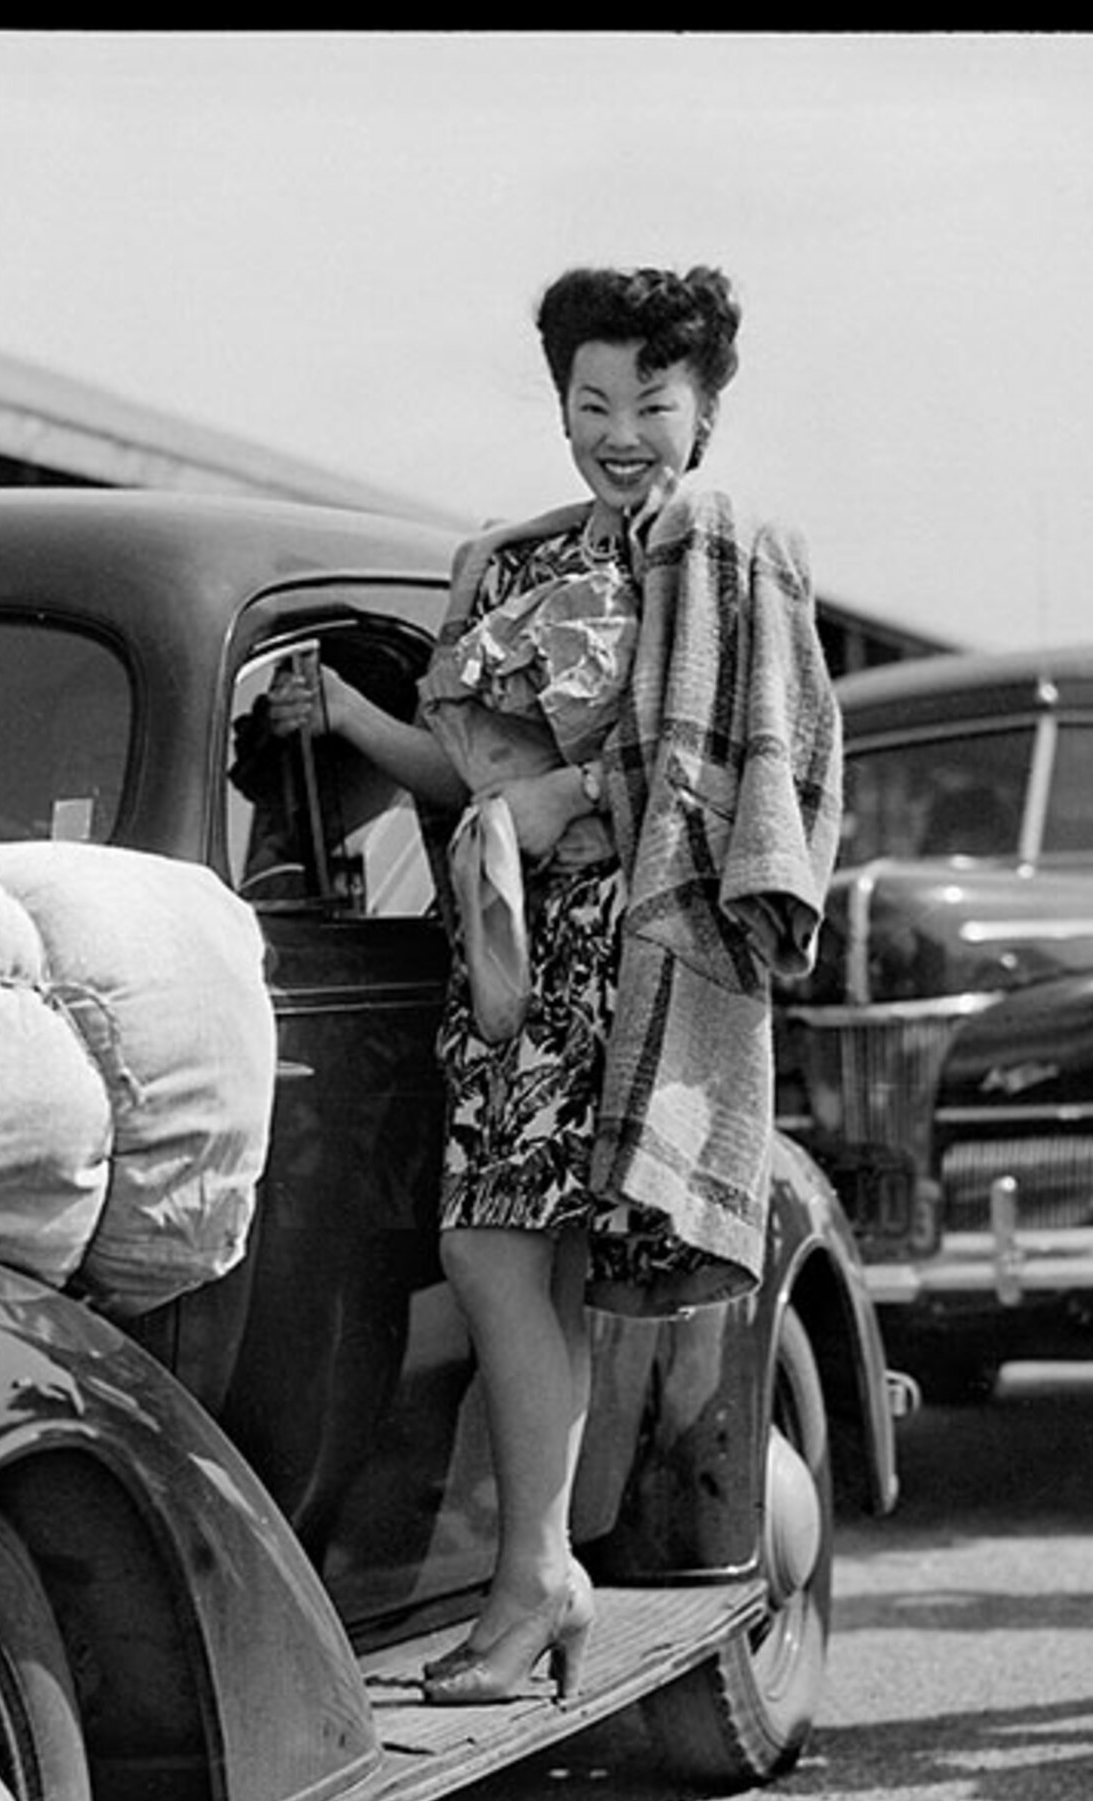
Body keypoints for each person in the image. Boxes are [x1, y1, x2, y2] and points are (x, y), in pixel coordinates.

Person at [268, 263, 838, 1706]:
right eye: (592, 403)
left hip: (620, 950)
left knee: (494, 1254)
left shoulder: (723, 554)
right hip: (507, 946)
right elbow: (471, 773)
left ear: (707, 411)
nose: (620, 433)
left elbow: (733, 772)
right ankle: (544, 1571)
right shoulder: (518, 565)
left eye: (653, 401)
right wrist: (350, 716)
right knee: (532, 1265)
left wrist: (571, 795)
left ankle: (536, 1575)